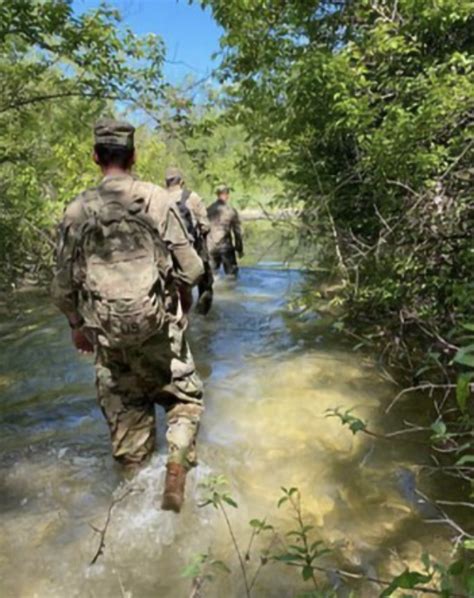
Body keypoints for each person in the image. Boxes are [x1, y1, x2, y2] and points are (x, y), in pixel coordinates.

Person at [51, 119, 204, 513]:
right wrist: (180, 297)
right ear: (134, 156)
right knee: (184, 401)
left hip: (110, 341)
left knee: (129, 436)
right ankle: (176, 468)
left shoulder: (78, 209)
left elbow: (63, 287)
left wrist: (76, 326)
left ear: (95, 157)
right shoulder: (157, 199)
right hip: (160, 333)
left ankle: (135, 503)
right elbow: (193, 269)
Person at [164, 167, 214, 315]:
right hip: (190, 249)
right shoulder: (191, 197)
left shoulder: (158, 197)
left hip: (167, 252)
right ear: (182, 182)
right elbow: (205, 226)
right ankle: (203, 317)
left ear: (166, 182)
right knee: (206, 281)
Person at [207, 184, 244, 277]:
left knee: (212, 276)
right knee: (232, 275)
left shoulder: (208, 210)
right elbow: (237, 232)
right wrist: (239, 249)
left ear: (217, 194)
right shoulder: (231, 211)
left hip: (211, 247)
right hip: (225, 247)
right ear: (227, 195)